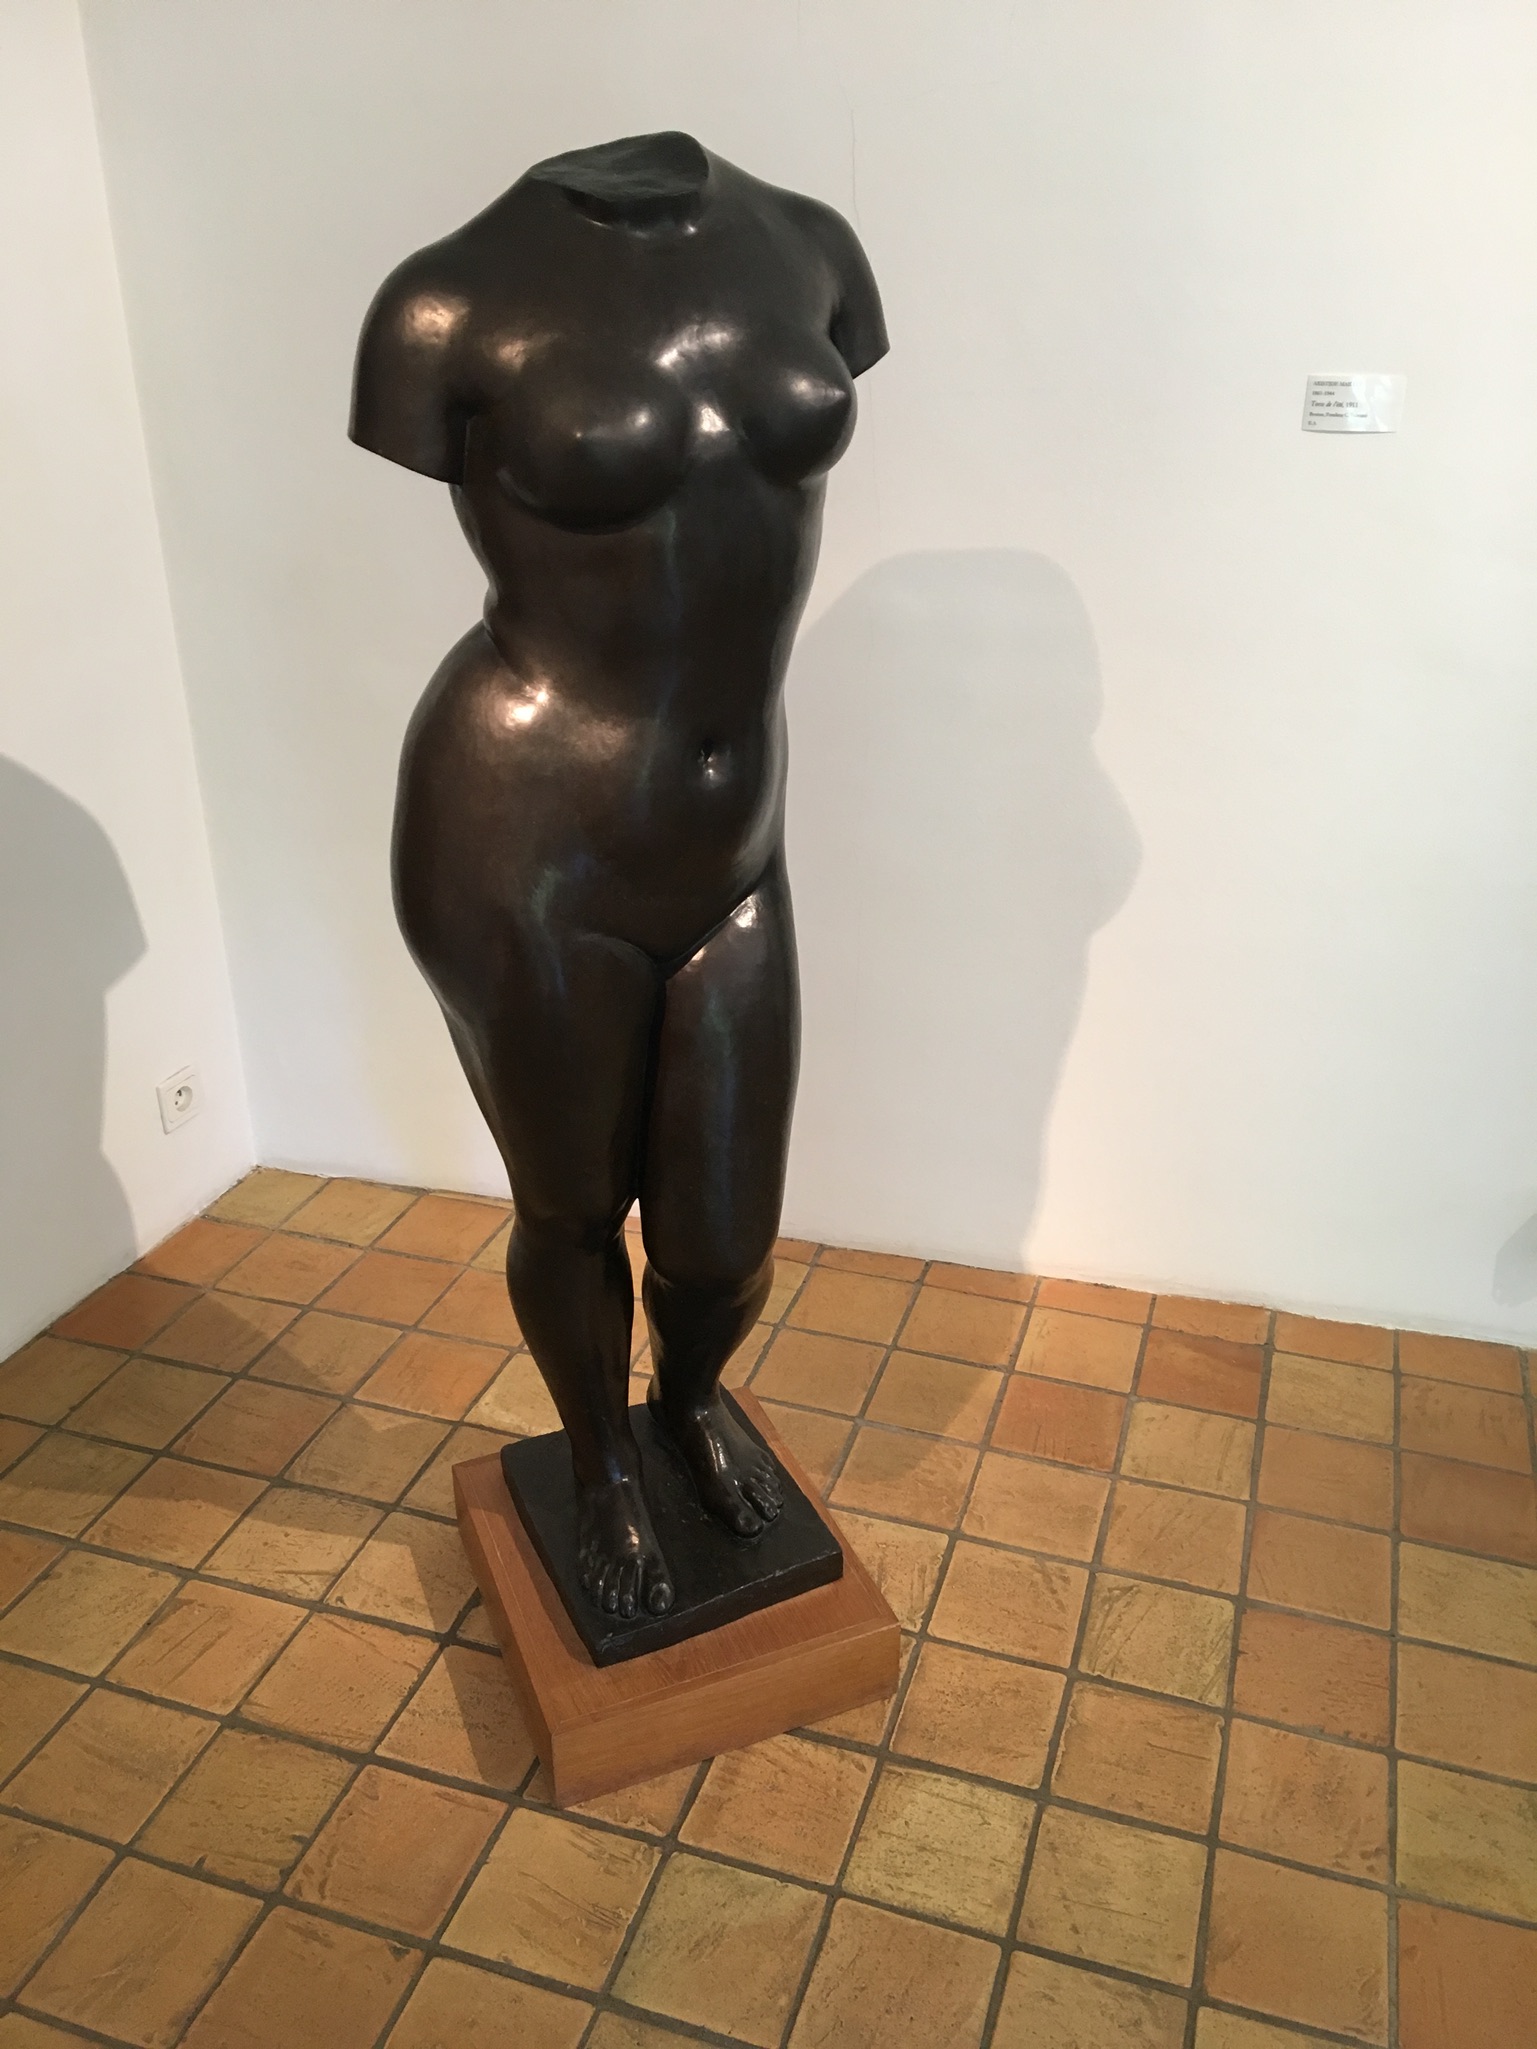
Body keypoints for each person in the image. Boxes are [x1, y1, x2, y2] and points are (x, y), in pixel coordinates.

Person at [351, 131, 886, 1622]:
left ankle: (688, 1400)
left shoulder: (809, 243)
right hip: (524, 836)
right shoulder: (444, 306)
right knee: (572, 1207)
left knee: (722, 1242)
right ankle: (598, 1466)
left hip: (732, 847)